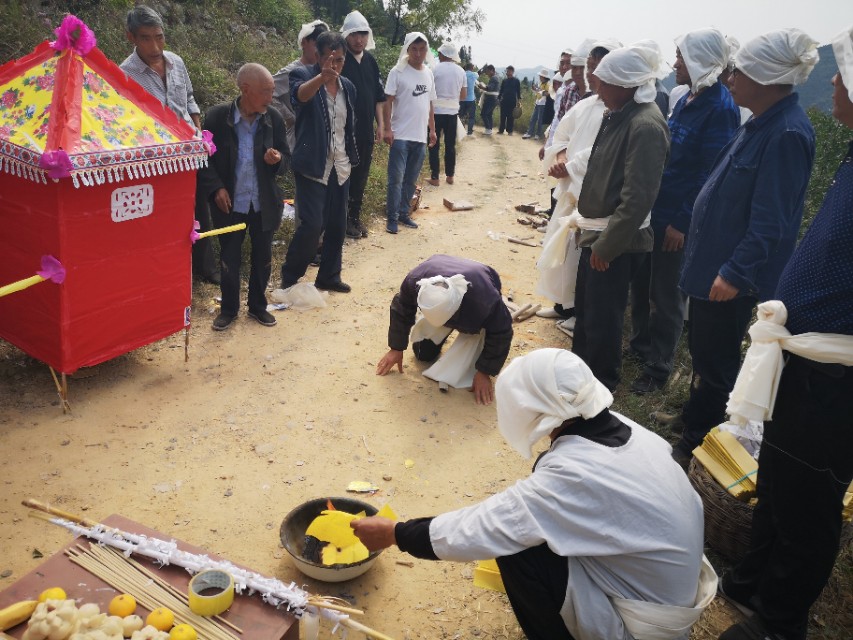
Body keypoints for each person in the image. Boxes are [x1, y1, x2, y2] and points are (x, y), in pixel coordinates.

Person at [355, 348, 715, 640]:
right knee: (533, 525)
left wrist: (395, 534)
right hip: (665, 594)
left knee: (517, 551)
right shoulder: (633, 433)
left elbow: (486, 527)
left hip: (644, 626)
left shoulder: (575, 475)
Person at [716, 28, 853, 640]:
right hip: (804, 355)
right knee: (778, 478)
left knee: (809, 499)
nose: (832, 81)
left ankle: (779, 620)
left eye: (843, 74)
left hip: (835, 369)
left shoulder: (794, 135)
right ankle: (751, 584)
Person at [663, 29, 819, 467]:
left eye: (741, 72)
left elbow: (773, 221)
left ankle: (699, 444)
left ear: (767, 79)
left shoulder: (787, 133)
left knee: (716, 363)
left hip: (729, 274)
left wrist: (734, 272)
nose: (731, 78)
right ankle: (695, 417)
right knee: (705, 352)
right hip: (712, 263)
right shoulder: (760, 121)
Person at [629, 28, 740, 395]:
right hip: (656, 210)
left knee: (667, 295)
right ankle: (641, 346)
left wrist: (682, 220)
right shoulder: (688, 98)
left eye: (681, 56)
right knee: (644, 285)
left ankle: (659, 366)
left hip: (676, 219)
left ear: (700, 61)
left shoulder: (721, 108)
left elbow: (711, 172)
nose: (675, 63)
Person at [570, 41, 671, 391]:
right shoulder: (620, 113)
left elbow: (637, 197)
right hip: (598, 234)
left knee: (602, 321)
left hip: (617, 242)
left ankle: (600, 389)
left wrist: (607, 246)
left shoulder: (645, 125)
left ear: (626, 85)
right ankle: (578, 381)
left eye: (604, 81)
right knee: (586, 314)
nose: (597, 86)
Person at [120, 5, 218, 285]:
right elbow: (130, 121)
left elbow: (188, 99)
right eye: (146, 38)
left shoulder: (176, 62)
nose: (155, 45)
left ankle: (206, 268)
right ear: (132, 38)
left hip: (190, 152)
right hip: (158, 158)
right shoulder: (125, 74)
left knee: (199, 209)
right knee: (164, 214)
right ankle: (169, 272)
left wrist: (197, 126)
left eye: (159, 37)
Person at [198, 64, 288, 331]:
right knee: (229, 257)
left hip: (263, 203)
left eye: (272, 92)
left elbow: (286, 161)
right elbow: (204, 159)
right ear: (245, 90)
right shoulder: (216, 118)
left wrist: (277, 160)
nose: (270, 98)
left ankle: (258, 307)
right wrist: (216, 188)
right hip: (230, 203)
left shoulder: (273, 119)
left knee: (263, 258)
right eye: (265, 92)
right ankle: (228, 310)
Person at [536, 42, 613, 333]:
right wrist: (560, 154)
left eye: (594, 68)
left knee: (583, 257)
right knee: (564, 252)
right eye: (587, 67)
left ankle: (580, 314)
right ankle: (562, 306)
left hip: (593, 194)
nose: (589, 74)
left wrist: (570, 164)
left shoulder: (617, 109)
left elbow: (603, 150)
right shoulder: (586, 104)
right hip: (571, 190)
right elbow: (562, 132)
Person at [279, 32, 359, 294]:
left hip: (341, 164)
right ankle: (290, 275)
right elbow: (299, 97)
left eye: (338, 59)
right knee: (312, 224)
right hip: (312, 165)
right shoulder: (302, 76)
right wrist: (320, 78)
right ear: (317, 57)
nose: (333, 65)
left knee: (337, 225)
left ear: (344, 59)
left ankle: (329, 276)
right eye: (328, 58)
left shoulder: (348, 86)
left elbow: (348, 126)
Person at [375, 255, 513, 405]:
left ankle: (469, 335)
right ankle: (438, 325)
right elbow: (401, 308)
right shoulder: (415, 281)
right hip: (441, 268)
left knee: (466, 371)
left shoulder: (485, 301)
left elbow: (502, 332)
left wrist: (485, 371)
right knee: (423, 354)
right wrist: (396, 348)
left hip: (480, 280)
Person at [383, 32, 437, 234]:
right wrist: (388, 128)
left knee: (411, 179)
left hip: (419, 137)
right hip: (400, 135)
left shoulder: (429, 73)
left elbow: (430, 104)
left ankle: (404, 213)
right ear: (407, 49)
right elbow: (388, 101)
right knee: (395, 179)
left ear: (426, 50)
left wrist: (432, 129)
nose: (418, 53)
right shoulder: (397, 72)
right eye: (414, 48)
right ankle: (392, 218)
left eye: (422, 49)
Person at [340, 11, 386, 239]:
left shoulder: (370, 61)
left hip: (366, 130)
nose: (359, 39)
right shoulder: (340, 59)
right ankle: (342, 220)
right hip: (345, 132)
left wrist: (381, 125)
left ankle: (354, 218)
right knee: (345, 175)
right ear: (347, 36)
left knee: (362, 176)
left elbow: (378, 96)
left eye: (363, 35)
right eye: (355, 35)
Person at [272, 19, 329, 154]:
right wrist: (290, 117)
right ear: (304, 42)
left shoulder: (325, 72)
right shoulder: (291, 71)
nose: (319, 51)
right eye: (316, 44)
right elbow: (266, 94)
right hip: (297, 142)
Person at [427, 42, 467, 186]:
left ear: (443, 54)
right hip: (452, 113)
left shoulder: (434, 69)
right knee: (450, 145)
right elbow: (463, 95)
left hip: (435, 113)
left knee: (433, 145)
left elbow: (428, 92)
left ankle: (435, 177)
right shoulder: (461, 71)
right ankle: (450, 176)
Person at [522, 69, 550, 140]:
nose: (540, 77)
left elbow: (547, 93)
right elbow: (538, 91)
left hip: (543, 104)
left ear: (544, 77)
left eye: (541, 76)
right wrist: (535, 89)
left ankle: (538, 134)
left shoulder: (548, 85)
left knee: (540, 120)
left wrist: (537, 90)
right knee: (533, 118)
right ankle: (529, 133)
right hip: (538, 102)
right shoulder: (540, 83)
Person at [497, 65, 521, 134]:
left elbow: (518, 91)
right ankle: (501, 130)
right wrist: (499, 98)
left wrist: (519, 100)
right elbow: (501, 90)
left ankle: (510, 131)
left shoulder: (516, 81)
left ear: (512, 72)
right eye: (507, 71)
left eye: (509, 71)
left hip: (512, 101)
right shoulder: (504, 81)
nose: (508, 72)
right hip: (504, 101)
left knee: (511, 116)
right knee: (503, 116)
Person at [476, 64, 499, 134]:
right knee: (489, 114)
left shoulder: (493, 78)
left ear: (492, 70)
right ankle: (489, 129)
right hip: (494, 99)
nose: (486, 73)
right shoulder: (495, 77)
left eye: (487, 71)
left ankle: (488, 128)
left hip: (491, 99)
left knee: (483, 114)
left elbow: (489, 88)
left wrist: (481, 87)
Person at [459, 63, 478, 135]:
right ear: (472, 68)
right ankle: (469, 131)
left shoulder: (461, 74)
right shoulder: (474, 75)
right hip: (471, 99)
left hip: (462, 99)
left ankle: (461, 130)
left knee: (461, 115)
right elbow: (478, 75)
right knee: (471, 116)